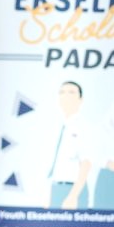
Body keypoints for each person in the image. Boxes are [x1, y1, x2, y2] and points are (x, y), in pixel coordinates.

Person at [47, 81, 91, 209]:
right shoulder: (57, 126)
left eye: (71, 92)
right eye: (62, 92)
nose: (66, 96)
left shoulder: (83, 127)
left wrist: (73, 196)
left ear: (80, 100)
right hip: (55, 188)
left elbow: (86, 163)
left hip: (73, 190)